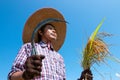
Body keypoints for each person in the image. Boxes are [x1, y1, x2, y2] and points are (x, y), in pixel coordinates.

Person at [8, 8, 67, 80]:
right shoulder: (28, 47)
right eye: (50, 28)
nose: (54, 31)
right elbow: (12, 75)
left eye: (54, 29)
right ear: (40, 32)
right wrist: (25, 74)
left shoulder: (59, 57)